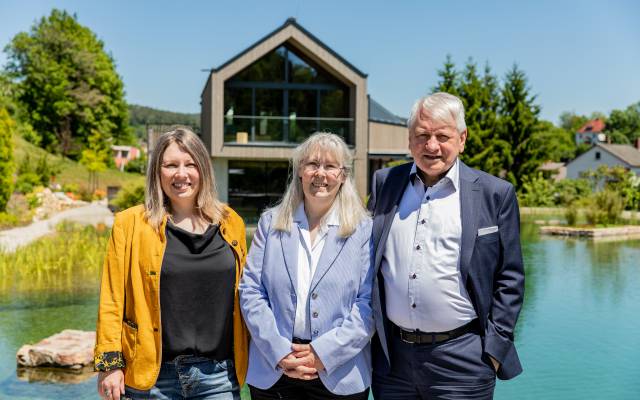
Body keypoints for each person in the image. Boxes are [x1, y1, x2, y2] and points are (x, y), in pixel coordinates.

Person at [368, 92, 525, 399]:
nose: (431, 146)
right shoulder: (385, 183)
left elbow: (511, 278)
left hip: (463, 360)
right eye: (422, 135)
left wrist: (494, 348)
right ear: (409, 139)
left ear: (462, 139)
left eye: (442, 136)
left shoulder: (495, 193)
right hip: (393, 362)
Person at [94, 127, 248, 400]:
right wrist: (109, 366)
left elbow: (250, 293)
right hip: (151, 378)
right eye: (170, 165)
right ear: (157, 171)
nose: (181, 174)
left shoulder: (231, 222)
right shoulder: (130, 224)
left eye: (190, 164)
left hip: (219, 378)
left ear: (203, 169)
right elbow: (112, 300)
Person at [239, 132, 374, 399]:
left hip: (339, 373)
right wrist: (280, 352)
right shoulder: (270, 223)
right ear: (300, 170)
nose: (320, 173)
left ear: (343, 175)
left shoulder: (363, 230)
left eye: (330, 166)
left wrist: (324, 353)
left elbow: (368, 303)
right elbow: (251, 292)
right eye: (312, 164)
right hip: (275, 370)